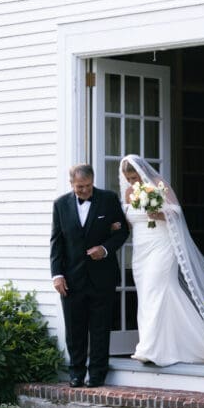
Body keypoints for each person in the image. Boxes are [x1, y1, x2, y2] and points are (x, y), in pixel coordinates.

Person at [120, 154, 204, 367]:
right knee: (148, 294)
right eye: (128, 179)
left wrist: (160, 213)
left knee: (158, 288)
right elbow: (131, 221)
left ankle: (152, 348)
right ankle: (162, 344)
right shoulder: (129, 193)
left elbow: (176, 211)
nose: (132, 183)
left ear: (141, 172)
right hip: (141, 249)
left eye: (134, 177)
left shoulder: (157, 185)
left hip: (162, 244)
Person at [50, 163, 130, 387]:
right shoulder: (60, 205)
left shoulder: (108, 199)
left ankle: (97, 374)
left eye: (86, 186)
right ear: (71, 184)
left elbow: (122, 231)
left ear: (93, 181)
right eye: (78, 187)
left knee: (100, 328)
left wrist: (104, 249)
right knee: (74, 330)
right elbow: (56, 243)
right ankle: (75, 373)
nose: (82, 191)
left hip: (102, 277)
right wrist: (57, 275)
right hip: (71, 278)